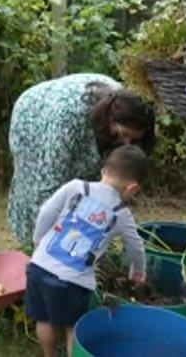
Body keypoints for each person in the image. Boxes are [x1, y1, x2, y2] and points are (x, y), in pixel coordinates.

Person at [25, 144, 150, 357]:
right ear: (132, 188)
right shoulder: (121, 214)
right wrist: (138, 270)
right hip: (71, 283)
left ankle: (50, 355)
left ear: (104, 171)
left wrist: (38, 241)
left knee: (43, 319)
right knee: (73, 327)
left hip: (39, 267)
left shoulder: (76, 187)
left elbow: (46, 212)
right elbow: (135, 246)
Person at [7, 73, 156, 245]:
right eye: (123, 135)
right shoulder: (66, 121)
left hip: (72, 113)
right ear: (110, 119)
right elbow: (47, 187)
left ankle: (79, 239)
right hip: (34, 116)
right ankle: (35, 246)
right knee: (45, 188)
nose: (126, 143)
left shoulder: (128, 107)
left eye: (133, 139)